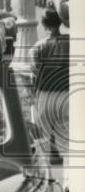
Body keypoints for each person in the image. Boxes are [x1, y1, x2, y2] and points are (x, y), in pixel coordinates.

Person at [32, 9, 69, 164]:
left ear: (44, 24)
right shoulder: (71, 41)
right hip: (67, 93)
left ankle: (53, 152)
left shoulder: (39, 46)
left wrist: (34, 95)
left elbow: (35, 74)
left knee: (48, 126)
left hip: (46, 93)